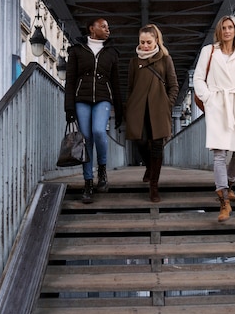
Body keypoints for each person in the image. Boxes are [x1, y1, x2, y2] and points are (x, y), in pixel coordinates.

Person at [193, 15, 235, 222]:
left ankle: (229, 185)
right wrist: (209, 99)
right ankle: (224, 202)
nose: (227, 31)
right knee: (219, 153)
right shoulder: (209, 51)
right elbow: (198, 78)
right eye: (224, 28)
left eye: (230, 27)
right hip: (217, 104)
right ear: (219, 31)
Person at [64, 18, 123, 204]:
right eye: (103, 26)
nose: (108, 29)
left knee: (99, 131)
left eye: (108, 26)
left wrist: (119, 109)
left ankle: (103, 170)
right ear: (92, 28)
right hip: (81, 99)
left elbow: (115, 82)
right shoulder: (76, 50)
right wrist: (69, 107)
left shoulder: (111, 53)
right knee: (86, 138)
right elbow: (70, 80)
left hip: (103, 98)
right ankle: (88, 182)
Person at [125, 24, 179, 202]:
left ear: (156, 40)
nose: (145, 46)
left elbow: (174, 86)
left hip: (158, 110)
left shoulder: (165, 59)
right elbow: (130, 88)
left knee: (157, 146)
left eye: (148, 42)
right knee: (140, 142)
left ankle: (153, 187)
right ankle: (149, 166)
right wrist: (128, 108)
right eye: (142, 42)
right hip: (138, 110)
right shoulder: (134, 62)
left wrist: (167, 105)